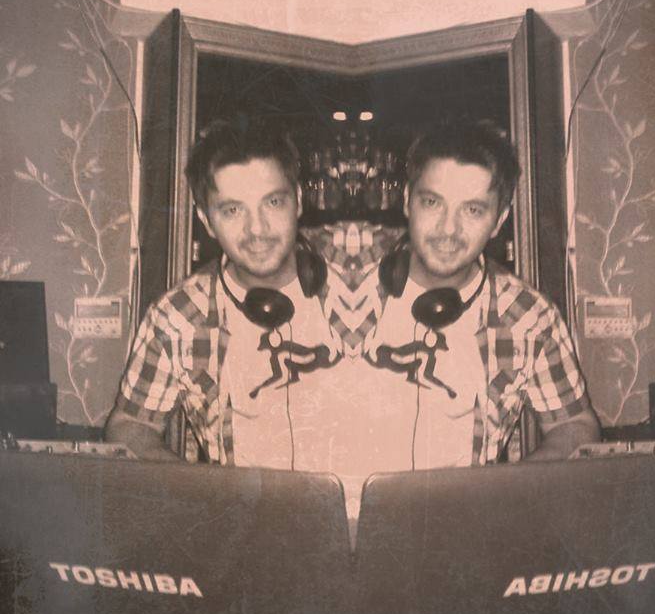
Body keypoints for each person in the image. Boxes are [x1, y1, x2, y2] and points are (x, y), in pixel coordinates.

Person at [352, 122, 600, 471]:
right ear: (407, 201)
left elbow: (575, 426)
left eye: (473, 210)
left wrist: (506, 490)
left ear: (499, 220)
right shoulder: (346, 286)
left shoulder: (528, 315)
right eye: (432, 202)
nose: (448, 229)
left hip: (466, 506)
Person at [105, 119, 350, 469]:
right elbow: (130, 425)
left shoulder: (358, 287)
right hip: (242, 504)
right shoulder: (177, 316)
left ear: (298, 201)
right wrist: (199, 489)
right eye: (232, 210)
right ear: (206, 220)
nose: (257, 229)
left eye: (273, 202)